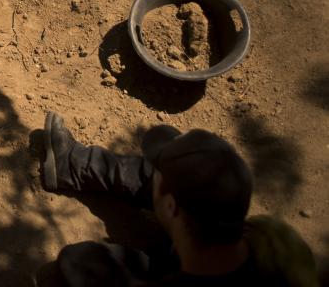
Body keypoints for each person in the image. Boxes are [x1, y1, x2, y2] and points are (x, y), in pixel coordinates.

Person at [29, 112, 318, 286]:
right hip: (201, 257)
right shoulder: (276, 239)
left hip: (175, 267)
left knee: (76, 264)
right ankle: (71, 165)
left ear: (171, 209)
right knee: (174, 180)